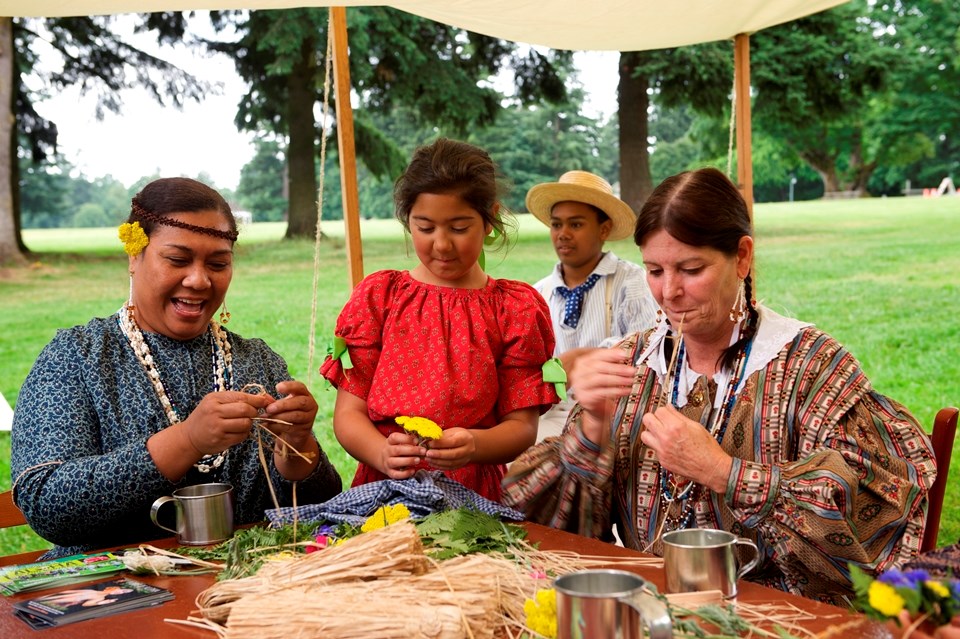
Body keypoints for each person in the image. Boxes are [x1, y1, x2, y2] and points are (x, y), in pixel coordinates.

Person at [502, 167, 937, 603]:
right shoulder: (632, 364)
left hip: (776, 617)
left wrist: (724, 473)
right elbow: (565, 536)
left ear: (742, 257)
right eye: (654, 270)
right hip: (650, 608)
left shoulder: (809, 366)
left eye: (691, 269)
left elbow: (875, 510)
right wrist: (593, 430)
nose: (669, 292)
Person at [11, 177, 342, 558]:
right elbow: (48, 505)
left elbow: (322, 510)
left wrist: (299, 451)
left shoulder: (258, 361)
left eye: (218, 263)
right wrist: (187, 440)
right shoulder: (77, 358)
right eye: (178, 260)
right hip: (113, 598)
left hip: (246, 588)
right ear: (134, 256)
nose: (199, 280)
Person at [320, 138, 559, 502]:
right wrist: (381, 452)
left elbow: (522, 429)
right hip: (383, 490)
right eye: (425, 228)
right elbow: (349, 415)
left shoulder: (515, 310)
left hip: (472, 500)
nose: (442, 244)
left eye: (459, 228)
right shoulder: (380, 298)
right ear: (407, 221)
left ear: (490, 219)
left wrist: (475, 444)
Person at [527, 170, 657, 439]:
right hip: (552, 414)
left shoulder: (630, 282)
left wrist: (581, 359)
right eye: (556, 225)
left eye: (575, 225)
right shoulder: (540, 293)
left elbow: (648, 353)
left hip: (612, 413)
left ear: (604, 229)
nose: (563, 234)